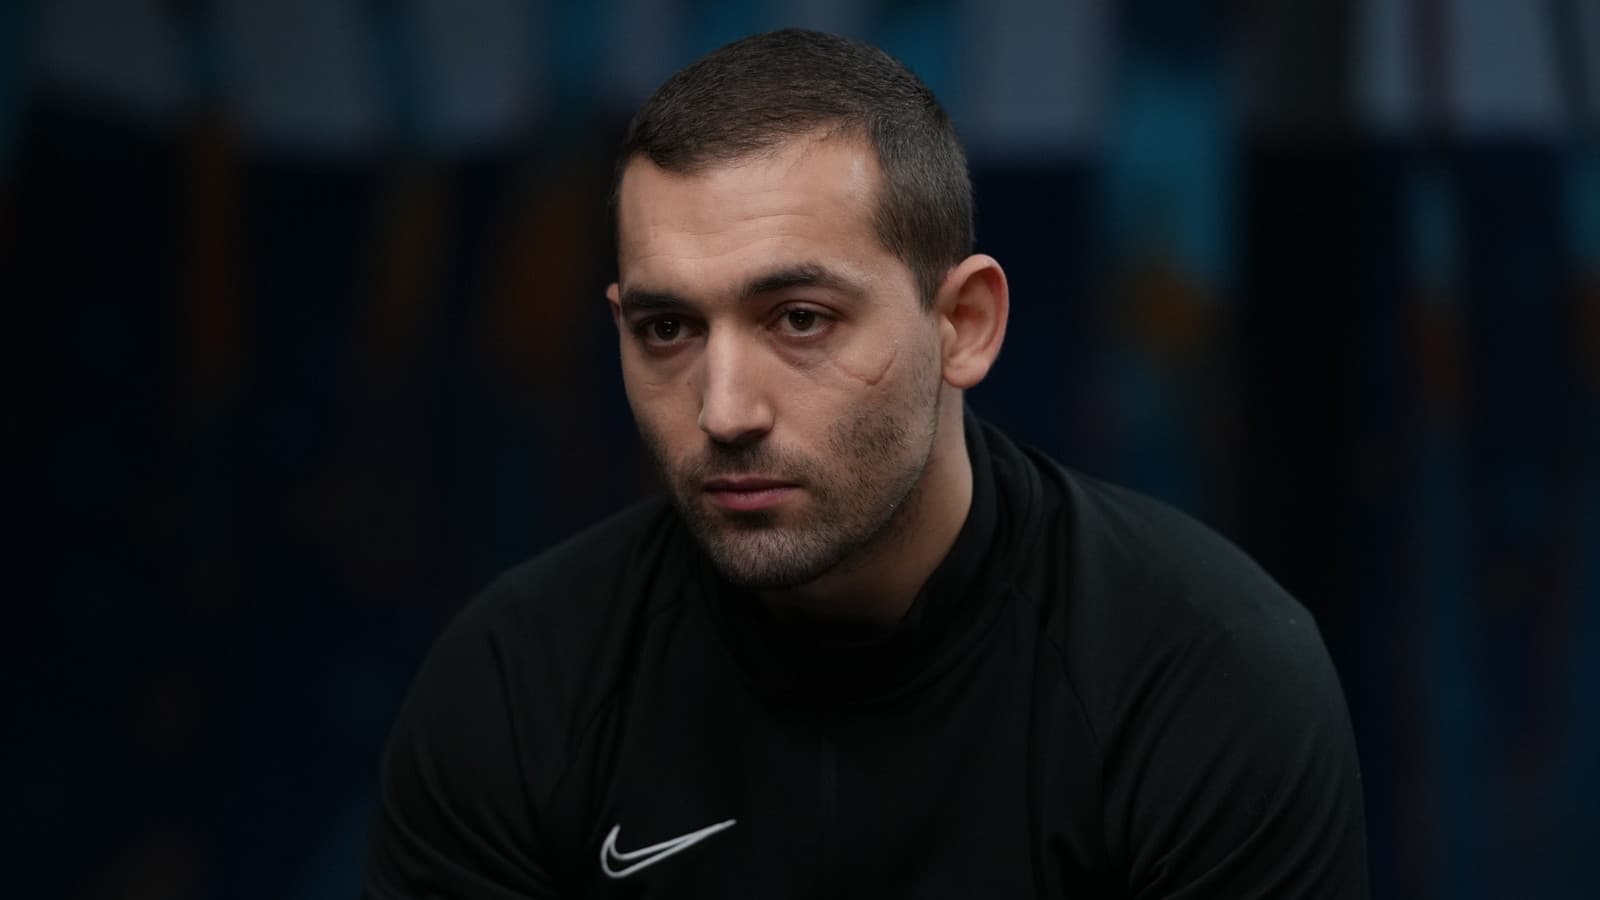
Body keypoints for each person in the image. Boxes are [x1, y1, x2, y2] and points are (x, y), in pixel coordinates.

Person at [361, 28, 1369, 899]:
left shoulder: (1201, 678)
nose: (724, 410)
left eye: (800, 319)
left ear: (964, 324)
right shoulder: (520, 686)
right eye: (668, 329)